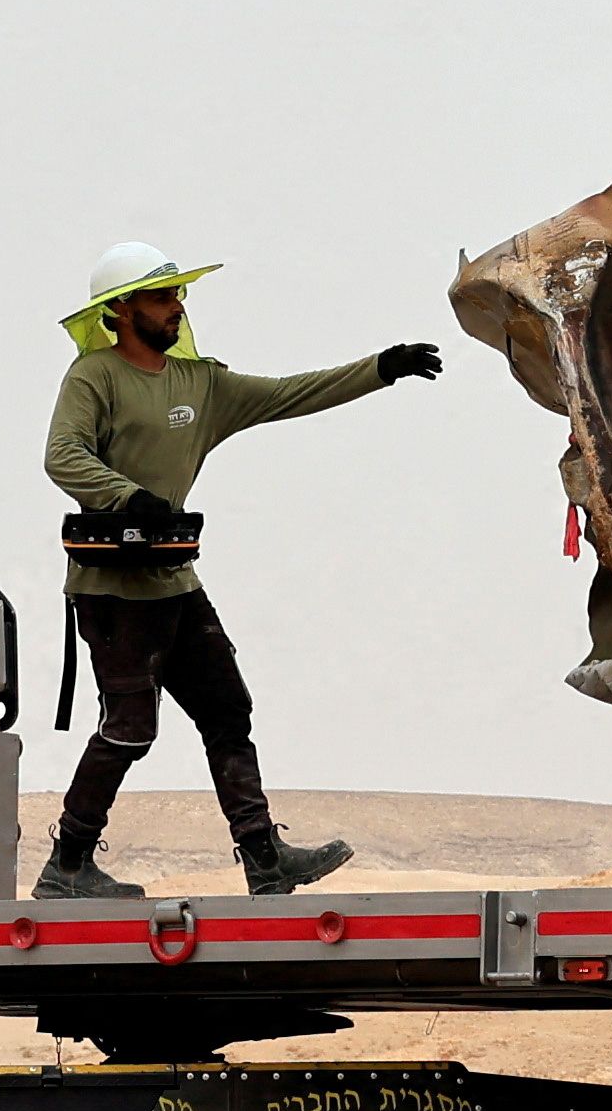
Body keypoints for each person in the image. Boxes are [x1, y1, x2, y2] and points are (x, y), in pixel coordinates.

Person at [33, 243, 445, 898]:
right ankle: (69, 868)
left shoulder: (201, 384)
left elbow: (290, 393)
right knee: (130, 727)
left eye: (177, 295)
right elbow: (62, 455)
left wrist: (381, 368)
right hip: (112, 594)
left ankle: (264, 860)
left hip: (175, 585)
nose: (177, 306)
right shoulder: (94, 379)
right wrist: (126, 497)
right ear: (121, 309)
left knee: (228, 708)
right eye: (163, 297)